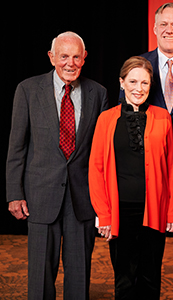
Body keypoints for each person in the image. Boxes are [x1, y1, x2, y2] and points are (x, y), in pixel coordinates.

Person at [6, 31, 109, 299]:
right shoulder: (27, 90)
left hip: (82, 199)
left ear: (84, 58)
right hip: (40, 196)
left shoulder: (98, 93)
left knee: (79, 275)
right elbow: (17, 147)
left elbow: (102, 153)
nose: (70, 63)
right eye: (64, 56)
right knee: (39, 277)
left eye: (76, 57)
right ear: (52, 58)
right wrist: (14, 194)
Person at [121, 4, 173, 298]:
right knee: (145, 250)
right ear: (154, 28)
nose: (169, 30)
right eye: (163, 24)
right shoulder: (138, 65)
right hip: (149, 175)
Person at [89, 56, 173, 299]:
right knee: (124, 279)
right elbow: (95, 169)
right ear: (121, 82)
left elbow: (170, 167)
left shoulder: (163, 117)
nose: (139, 89)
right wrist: (104, 215)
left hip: (154, 210)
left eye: (145, 83)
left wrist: (172, 211)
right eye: (133, 81)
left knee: (151, 277)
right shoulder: (106, 119)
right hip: (120, 211)